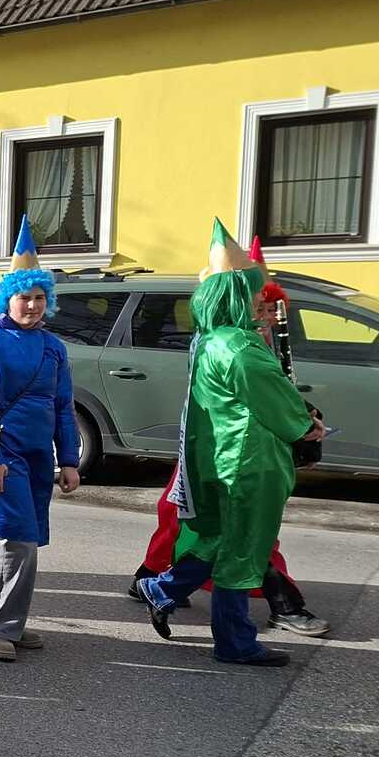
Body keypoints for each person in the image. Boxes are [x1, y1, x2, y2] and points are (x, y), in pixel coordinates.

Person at [134, 220, 324, 666]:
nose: (262, 299)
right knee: (244, 547)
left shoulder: (212, 340)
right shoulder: (240, 347)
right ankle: (235, 642)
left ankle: (161, 589)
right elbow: (276, 402)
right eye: (255, 292)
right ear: (236, 294)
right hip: (247, 462)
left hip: (222, 457)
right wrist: (307, 426)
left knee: (219, 538)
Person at [0, 216, 81, 662]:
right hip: (2, 456)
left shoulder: (54, 347)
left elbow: (63, 407)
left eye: (39, 298)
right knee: (17, 538)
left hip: (37, 457)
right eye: (24, 297)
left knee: (6, 538)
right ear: (8, 298)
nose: (32, 305)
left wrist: (69, 459)